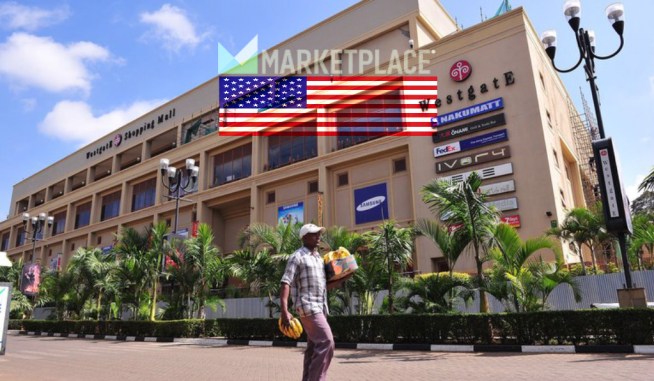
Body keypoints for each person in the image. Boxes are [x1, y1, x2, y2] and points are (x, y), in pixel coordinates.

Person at [280, 223, 351, 381]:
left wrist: (345, 276)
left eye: (319, 233)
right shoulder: (297, 256)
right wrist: (284, 311)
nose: (318, 236)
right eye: (314, 234)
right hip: (308, 307)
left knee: (312, 350)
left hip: (321, 308)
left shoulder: (319, 259)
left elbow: (324, 285)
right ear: (304, 237)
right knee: (327, 342)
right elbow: (286, 282)